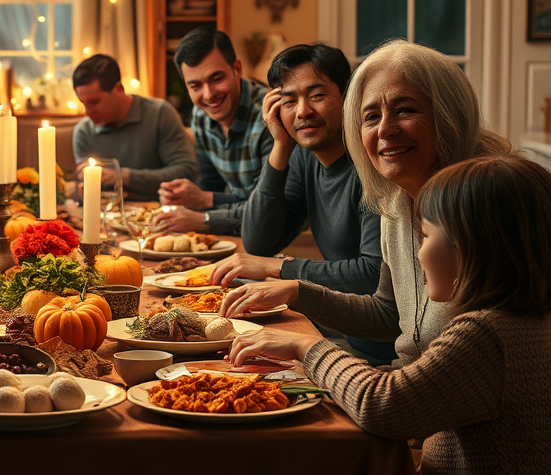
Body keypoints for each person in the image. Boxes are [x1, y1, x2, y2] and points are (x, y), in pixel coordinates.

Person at [227, 154, 551, 475]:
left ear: (471, 247)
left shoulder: (486, 334)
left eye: (427, 236)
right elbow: (420, 386)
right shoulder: (523, 321)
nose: (417, 252)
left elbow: (383, 405)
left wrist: (307, 346)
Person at [222, 39, 511, 367]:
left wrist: (308, 346)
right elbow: (390, 314)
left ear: (448, 114)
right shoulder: (395, 198)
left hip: (403, 384)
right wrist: (296, 292)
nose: (385, 129)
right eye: (372, 115)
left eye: (405, 109)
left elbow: (441, 377)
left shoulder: (485, 207)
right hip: (387, 372)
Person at [212, 43, 393, 365]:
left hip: (376, 352)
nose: (302, 111)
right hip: (335, 332)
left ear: (348, 96)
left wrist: (279, 269)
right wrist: (280, 146)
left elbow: (372, 274)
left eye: (317, 95)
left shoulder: (373, 166)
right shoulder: (304, 159)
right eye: (288, 100)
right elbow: (259, 241)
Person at [157, 28, 272, 235]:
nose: (209, 95)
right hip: (236, 229)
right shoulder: (201, 116)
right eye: (195, 86)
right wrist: (184, 199)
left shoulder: (269, 118)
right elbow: (211, 184)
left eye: (216, 78)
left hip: (284, 238)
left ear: (237, 68)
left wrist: (205, 200)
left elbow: (267, 206)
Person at [71, 54, 197, 201]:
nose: (87, 112)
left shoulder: (159, 114)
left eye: (94, 102)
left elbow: (186, 171)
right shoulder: (83, 132)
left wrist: (121, 176)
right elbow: (87, 194)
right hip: (107, 217)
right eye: (83, 103)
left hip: (160, 213)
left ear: (119, 89)